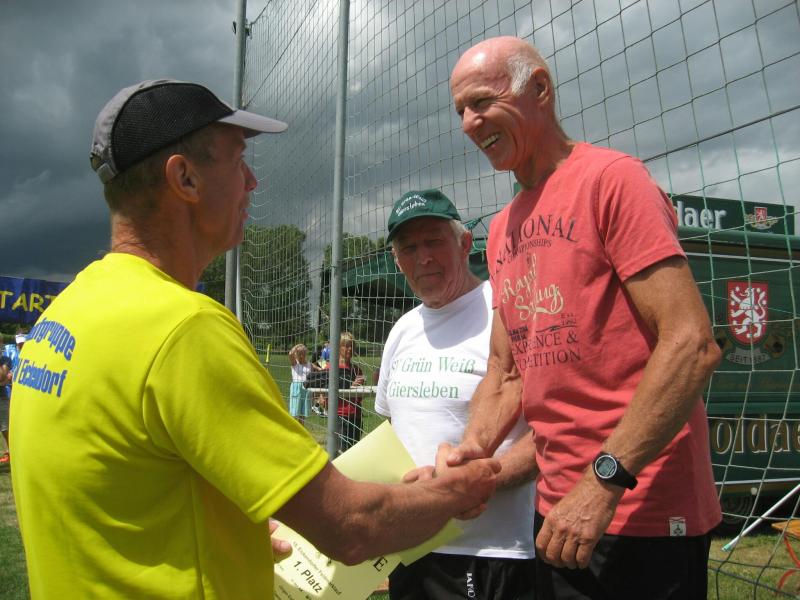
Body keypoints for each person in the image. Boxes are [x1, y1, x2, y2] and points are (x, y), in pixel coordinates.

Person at [9, 79, 501, 599]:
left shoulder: (65, 313)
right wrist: (456, 492)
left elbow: (116, 490)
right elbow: (351, 525)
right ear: (185, 178)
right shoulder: (184, 328)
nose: (252, 181)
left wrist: (226, 530)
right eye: (238, 160)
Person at [446, 37, 722, 599]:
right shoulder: (501, 228)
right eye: (461, 112)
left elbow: (691, 343)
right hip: (556, 513)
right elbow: (506, 370)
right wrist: (471, 452)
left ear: (539, 89)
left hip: (639, 509)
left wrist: (602, 483)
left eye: (481, 102)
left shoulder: (612, 180)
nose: (470, 123)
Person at [376, 189, 537, 600]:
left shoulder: (505, 312)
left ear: (465, 244)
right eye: (408, 248)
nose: (423, 258)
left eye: (434, 241)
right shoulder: (402, 331)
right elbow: (394, 430)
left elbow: (548, 432)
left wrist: (476, 482)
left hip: (488, 551)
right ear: (396, 259)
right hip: (411, 545)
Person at [327, 331, 365, 453]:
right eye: (346, 345)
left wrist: (361, 389)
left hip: (356, 417)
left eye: (352, 346)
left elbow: (359, 398)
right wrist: (350, 387)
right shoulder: (330, 369)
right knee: (341, 453)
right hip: (340, 417)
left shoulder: (357, 370)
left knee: (354, 453)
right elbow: (325, 395)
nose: (350, 349)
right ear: (338, 347)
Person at [288, 343, 315, 425]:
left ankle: (301, 428)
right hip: (296, 388)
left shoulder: (310, 364)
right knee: (294, 412)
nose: (301, 356)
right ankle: (293, 429)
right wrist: (298, 345)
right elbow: (290, 354)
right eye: (299, 354)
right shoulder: (295, 363)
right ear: (296, 354)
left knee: (302, 414)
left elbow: (314, 374)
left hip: (306, 388)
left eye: (303, 353)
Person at [0, 356, 12, 464]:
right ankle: (7, 453)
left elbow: (1, 376)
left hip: (2, 398)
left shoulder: (5, 360)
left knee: (5, 428)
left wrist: (5, 380)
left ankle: (10, 452)